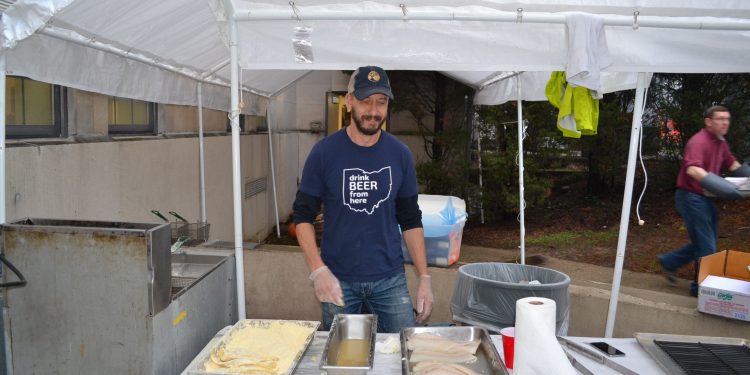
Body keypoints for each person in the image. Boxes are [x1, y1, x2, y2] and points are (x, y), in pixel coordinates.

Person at [293, 66, 433, 333]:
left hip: (390, 280)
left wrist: (424, 277)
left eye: (381, 102)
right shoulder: (324, 153)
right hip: (337, 279)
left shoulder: (400, 154)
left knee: (403, 353)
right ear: (349, 102)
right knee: (343, 361)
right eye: (365, 101)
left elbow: (410, 219)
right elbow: (302, 215)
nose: (373, 110)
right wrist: (317, 270)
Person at [658, 105, 750, 296]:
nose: (725, 122)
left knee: (704, 241)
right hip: (690, 198)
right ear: (708, 121)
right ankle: (700, 288)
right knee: (707, 246)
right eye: (720, 119)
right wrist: (725, 188)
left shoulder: (720, 142)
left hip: (705, 198)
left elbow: (732, 164)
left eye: (727, 119)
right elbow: (693, 170)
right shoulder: (698, 142)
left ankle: (669, 262)